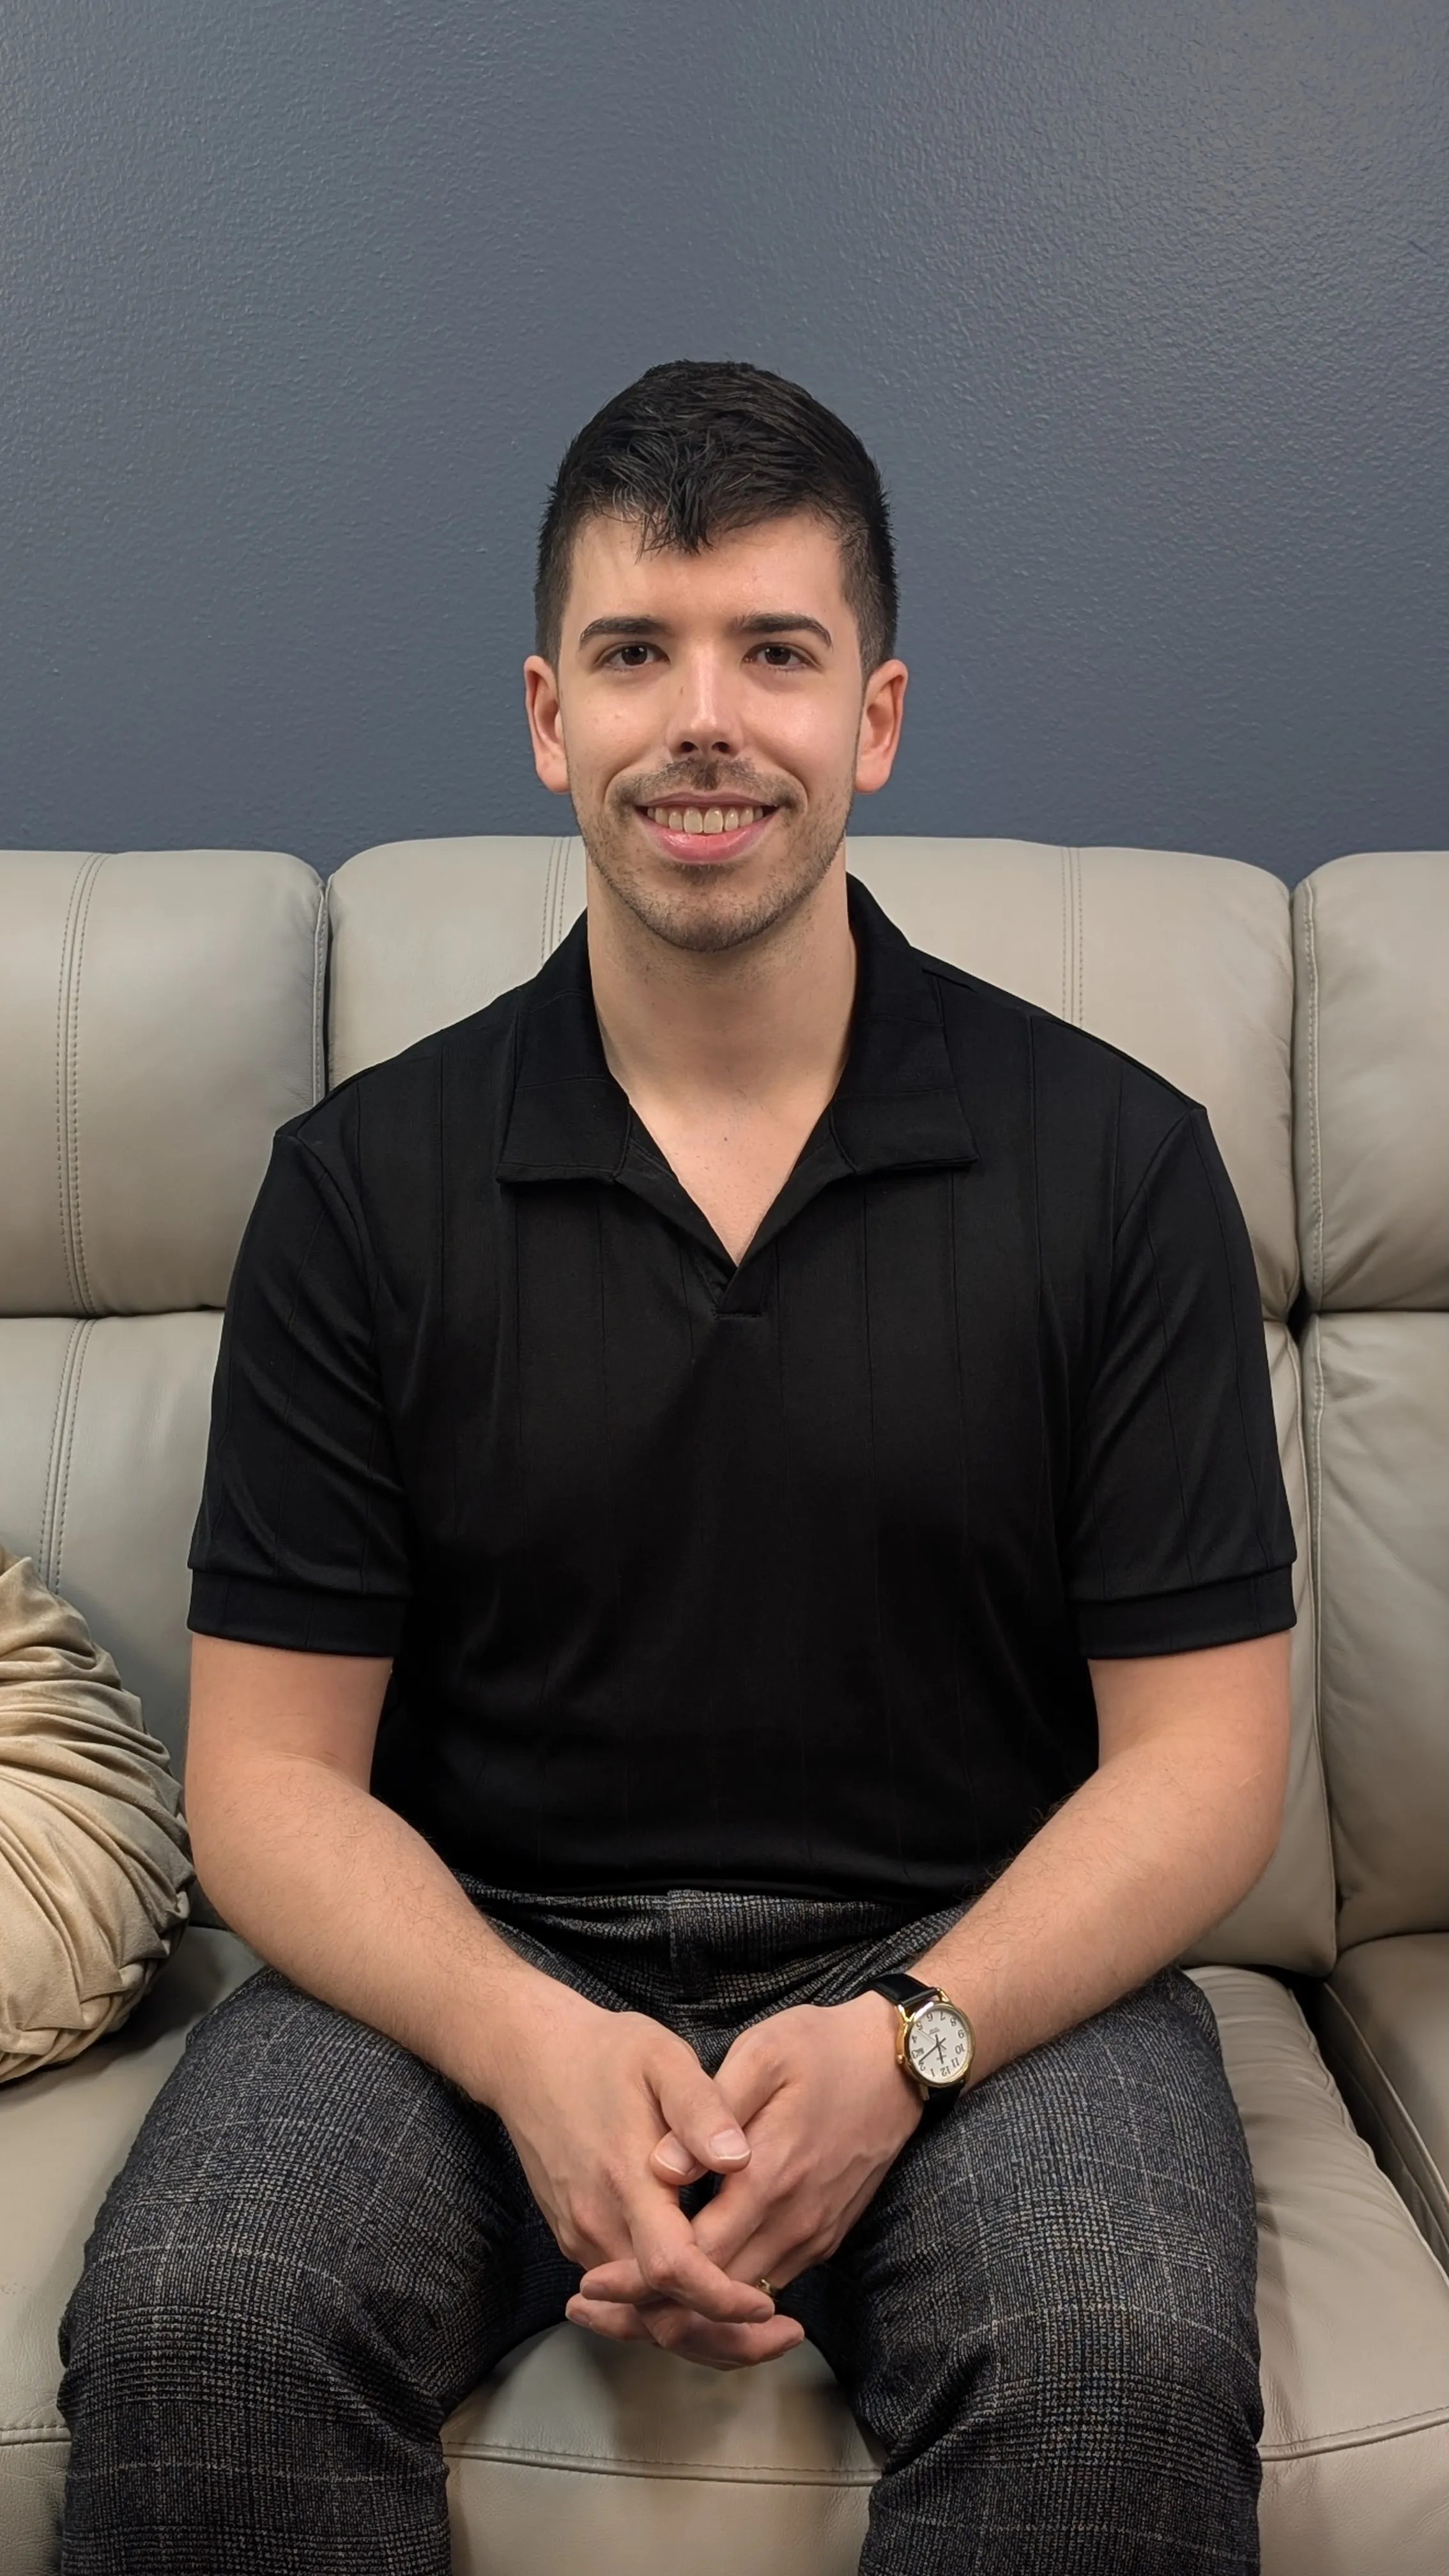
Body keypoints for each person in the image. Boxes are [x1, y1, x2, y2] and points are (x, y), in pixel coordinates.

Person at [57, 360, 1294, 2575]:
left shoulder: (1116, 1167)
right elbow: (263, 1782)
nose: (703, 721)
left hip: (976, 1964)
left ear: (874, 719)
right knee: (200, 2323)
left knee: (1112, 2364)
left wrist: (909, 2040)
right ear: (550, 719)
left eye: (774, 654)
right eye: (636, 653)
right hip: (475, 1948)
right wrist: (524, 2039)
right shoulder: (361, 1187)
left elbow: (1205, 1764)